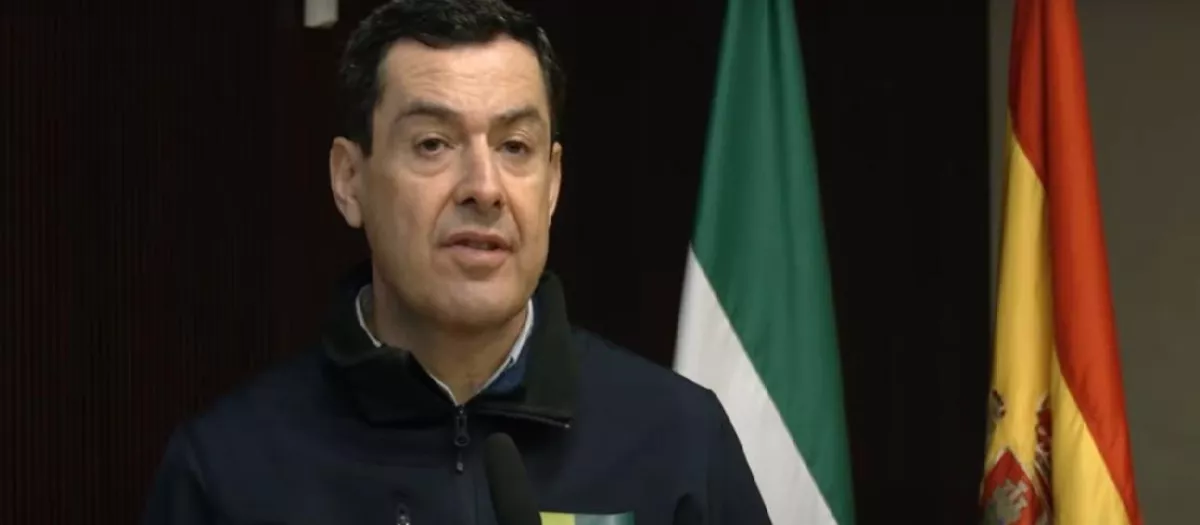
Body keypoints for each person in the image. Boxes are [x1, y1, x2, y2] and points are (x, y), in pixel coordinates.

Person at [141, 0, 771, 523]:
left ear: (552, 183)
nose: (485, 188)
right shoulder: (229, 470)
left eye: (515, 146)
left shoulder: (678, 442)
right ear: (349, 179)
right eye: (433, 144)